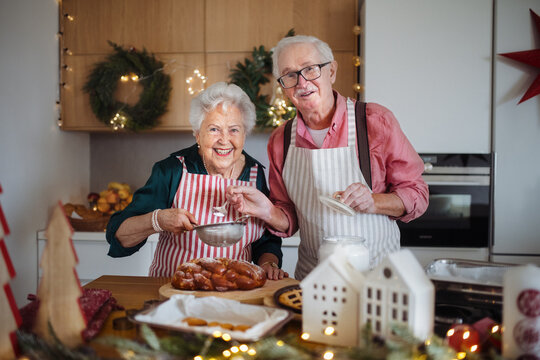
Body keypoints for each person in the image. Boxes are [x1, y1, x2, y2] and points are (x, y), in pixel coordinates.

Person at [226, 35, 428, 280]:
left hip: (376, 278)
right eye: (289, 75)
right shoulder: (281, 139)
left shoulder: (375, 121)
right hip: (314, 279)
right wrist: (267, 211)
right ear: (283, 86)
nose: (301, 83)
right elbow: (288, 216)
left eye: (310, 69)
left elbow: (417, 194)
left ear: (331, 71)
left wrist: (374, 202)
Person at [106, 82, 288, 280]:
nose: (224, 140)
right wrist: (158, 220)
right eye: (214, 129)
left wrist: (269, 263)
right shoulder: (172, 170)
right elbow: (119, 234)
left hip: (234, 292)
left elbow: (266, 240)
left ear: (245, 134)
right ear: (197, 134)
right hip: (173, 293)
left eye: (234, 130)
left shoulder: (255, 174)